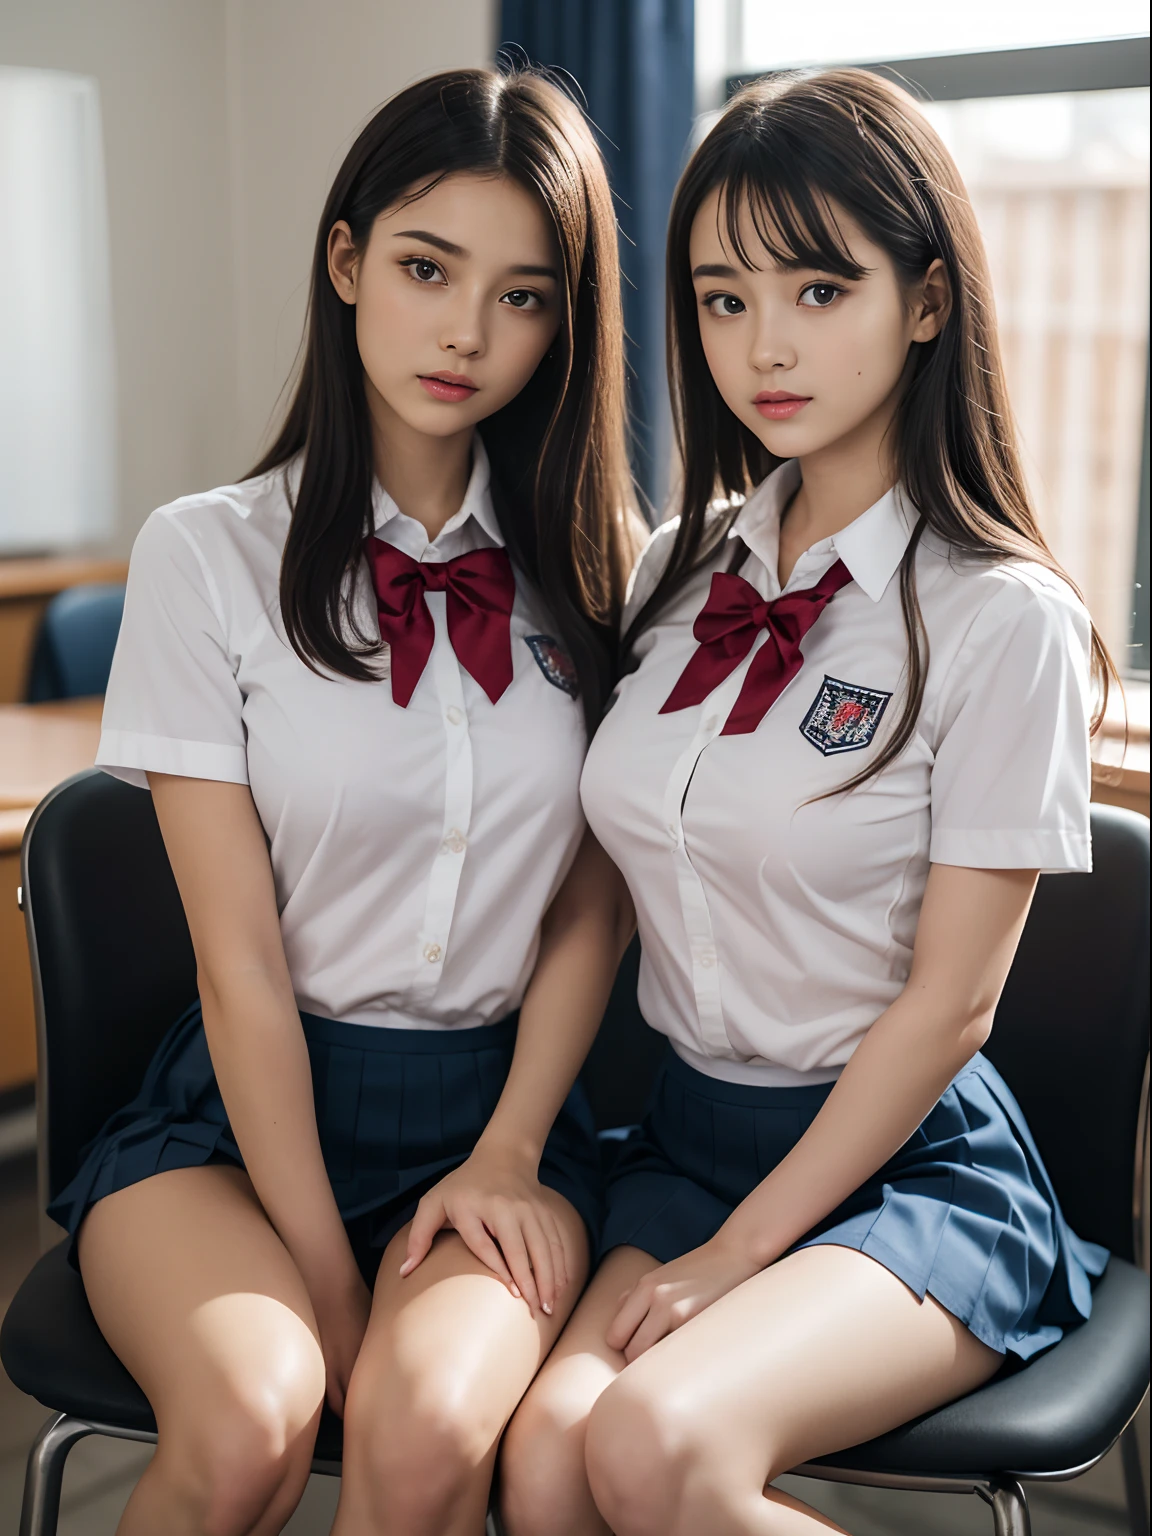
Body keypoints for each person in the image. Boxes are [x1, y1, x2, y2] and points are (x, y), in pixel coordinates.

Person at [499, 68, 1114, 1536]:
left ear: (923, 300)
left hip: (905, 1171)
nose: (763, 344)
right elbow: (596, 880)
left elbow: (950, 1010)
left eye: (818, 288)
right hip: (687, 1144)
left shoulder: (999, 620)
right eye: (721, 299)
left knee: (650, 1445)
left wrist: (743, 1256)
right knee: (540, 1462)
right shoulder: (675, 569)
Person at [49, 66, 638, 1536]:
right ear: (346, 259)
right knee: (256, 1416)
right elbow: (239, 967)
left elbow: (590, 901)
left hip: (504, 1119)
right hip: (237, 1123)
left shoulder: (610, 566)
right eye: (428, 268)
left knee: (425, 1429)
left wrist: (508, 1148)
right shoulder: (206, 557)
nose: (465, 332)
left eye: (522, 296)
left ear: (567, 323)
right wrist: (327, 1280)